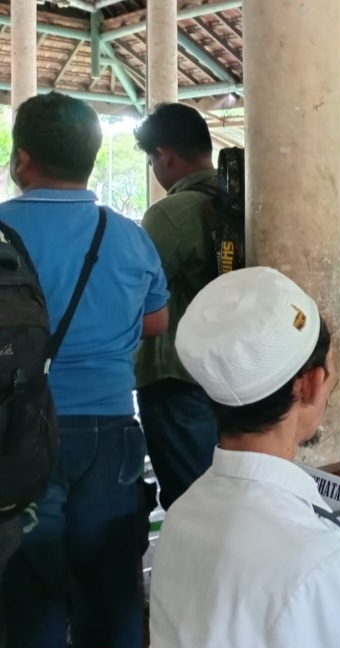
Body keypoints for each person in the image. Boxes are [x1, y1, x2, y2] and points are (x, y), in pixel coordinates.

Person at [150, 266, 340, 648]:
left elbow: (324, 532)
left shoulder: (183, 516)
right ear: (310, 383)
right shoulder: (314, 567)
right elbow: (309, 550)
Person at [0, 92, 169, 648]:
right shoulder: (128, 235)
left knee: (30, 590)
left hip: (17, 432)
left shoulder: (2, 230)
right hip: (111, 431)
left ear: (22, 160)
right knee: (112, 588)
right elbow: (157, 320)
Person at [133, 102, 221, 510]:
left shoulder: (169, 215)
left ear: (164, 155)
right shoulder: (241, 198)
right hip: (236, 377)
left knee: (189, 502)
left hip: (175, 379)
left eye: (152, 160)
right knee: (225, 496)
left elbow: (137, 299)